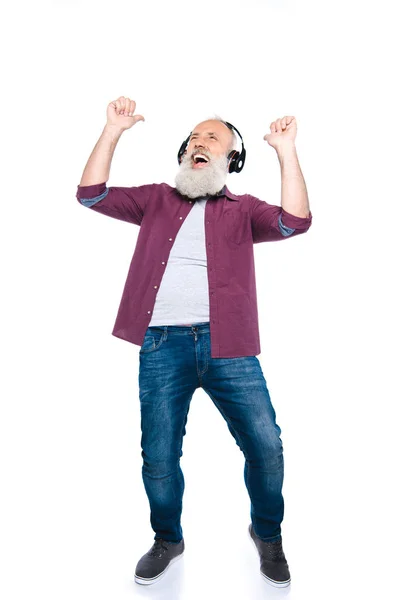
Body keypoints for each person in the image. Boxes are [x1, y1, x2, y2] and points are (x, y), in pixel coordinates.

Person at [76, 96, 313, 588]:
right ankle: (168, 538)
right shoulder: (156, 199)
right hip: (162, 346)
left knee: (266, 446)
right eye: (195, 138)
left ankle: (267, 534)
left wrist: (286, 151)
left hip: (230, 347)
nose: (201, 143)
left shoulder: (243, 210)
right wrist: (112, 131)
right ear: (185, 154)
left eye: (214, 140)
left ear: (230, 162)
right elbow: (91, 194)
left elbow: (296, 221)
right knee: (159, 456)